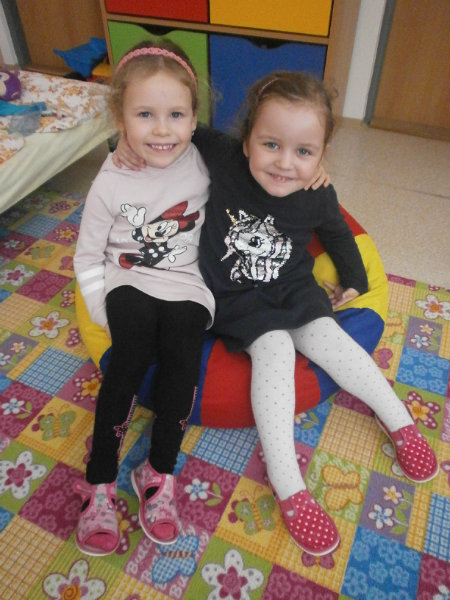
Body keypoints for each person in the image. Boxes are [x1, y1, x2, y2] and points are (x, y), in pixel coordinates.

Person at [114, 70, 439, 557]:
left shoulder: (317, 192)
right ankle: (289, 485)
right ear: (246, 140)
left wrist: (355, 280)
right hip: (234, 299)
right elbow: (171, 130)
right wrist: (125, 141)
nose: (285, 163)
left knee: (331, 339)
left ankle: (400, 423)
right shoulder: (224, 156)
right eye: (271, 145)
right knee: (276, 347)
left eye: (304, 152)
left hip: (294, 288)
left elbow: (337, 233)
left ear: (322, 156)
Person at [73, 40, 216, 556]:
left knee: (183, 359)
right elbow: (87, 256)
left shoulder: (207, 159)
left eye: (176, 115)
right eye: (145, 115)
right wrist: (103, 313)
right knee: (129, 357)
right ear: (121, 118)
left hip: (187, 283)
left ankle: (158, 472)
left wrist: (317, 178)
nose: (162, 130)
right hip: (128, 280)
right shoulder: (110, 180)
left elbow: (269, 160)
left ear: (195, 117)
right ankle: (100, 480)